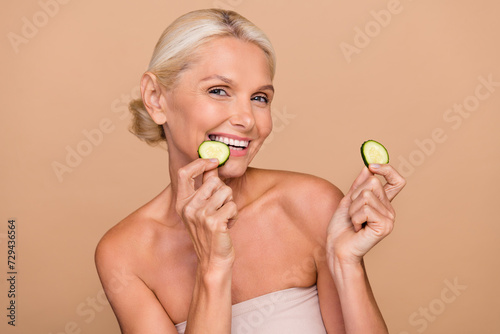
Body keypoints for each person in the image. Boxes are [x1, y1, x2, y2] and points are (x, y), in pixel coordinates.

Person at [95, 8, 406, 334]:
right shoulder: (124, 253)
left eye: (260, 98)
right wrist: (212, 268)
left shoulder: (310, 205)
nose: (246, 119)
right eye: (218, 90)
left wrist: (346, 263)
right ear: (156, 98)